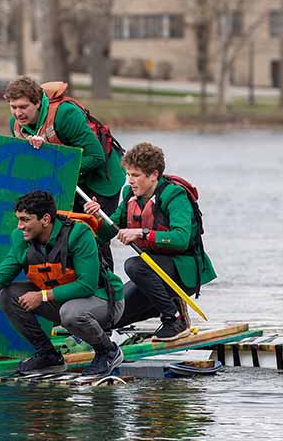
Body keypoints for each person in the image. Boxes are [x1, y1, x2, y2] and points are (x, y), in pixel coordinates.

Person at [0, 190, 125, 376]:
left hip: (105, 301)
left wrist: (42, 295)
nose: (20, 226)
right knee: (9, 295)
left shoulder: (79, 233)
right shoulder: (21, 238)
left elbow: (87, 285)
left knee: (70, 313)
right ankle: (48, 355)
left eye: (25, 220)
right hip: (64, 301)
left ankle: (108, 351)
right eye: (18, 219)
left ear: (45, 220)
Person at [84, 142, 216, 341]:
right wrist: (97, 216)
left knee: (133, 265)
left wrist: (141, 233)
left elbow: (180, 239)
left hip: (182, 269)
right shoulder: (129, 194)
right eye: (128, 175)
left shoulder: (175, 195)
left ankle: (174, 319)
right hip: (152, 271)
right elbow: (106, 233)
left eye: (135, 175)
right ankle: (164, 305)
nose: (130, 181)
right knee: (110, 317)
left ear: (154, 175)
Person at [4, 76, 125, 268]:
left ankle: (107, 290)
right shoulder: (15, 125)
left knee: (94, 237)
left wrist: (56, 167)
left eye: (23, 107)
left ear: (37, 103)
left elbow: (96, 157)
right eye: (13, 107)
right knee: (64, 234)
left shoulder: (65, 114)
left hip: (101, 179)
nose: (18, 113)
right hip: (67, 180)